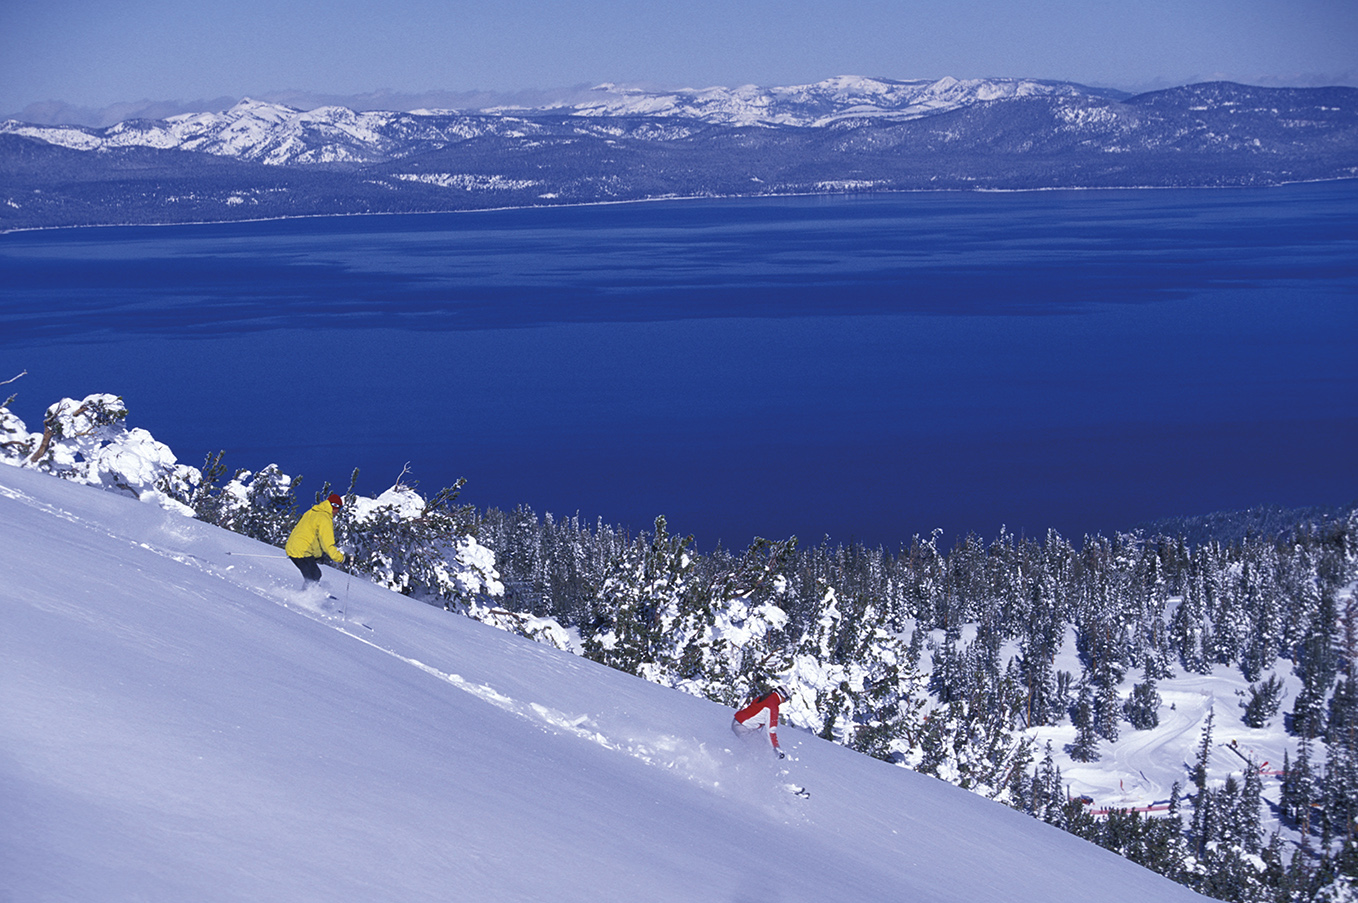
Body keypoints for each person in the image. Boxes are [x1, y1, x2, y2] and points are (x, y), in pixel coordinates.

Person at [285, 492, 346, 587]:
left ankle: (307, 595)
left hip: (294, 548)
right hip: (302, 551)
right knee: (313, 576)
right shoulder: (324, 518)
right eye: (340, 509)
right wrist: (342, 559)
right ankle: (305, 598)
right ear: (335, 506)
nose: (338, 512)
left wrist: (317, 555)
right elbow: (327, 544)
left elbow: (311, 535)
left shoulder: (312, 512)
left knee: (315, 574)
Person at [732, 685, 790, 758]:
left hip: (740, 723)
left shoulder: (766, 697)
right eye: (786, 699)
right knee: (762, 749)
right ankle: (746, 764)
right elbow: (771, 730)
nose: (784, 702)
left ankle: (745, 759)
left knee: (761, 744)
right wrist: (776, 747)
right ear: (782, 696)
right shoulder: (773, 706)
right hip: (743, 727)